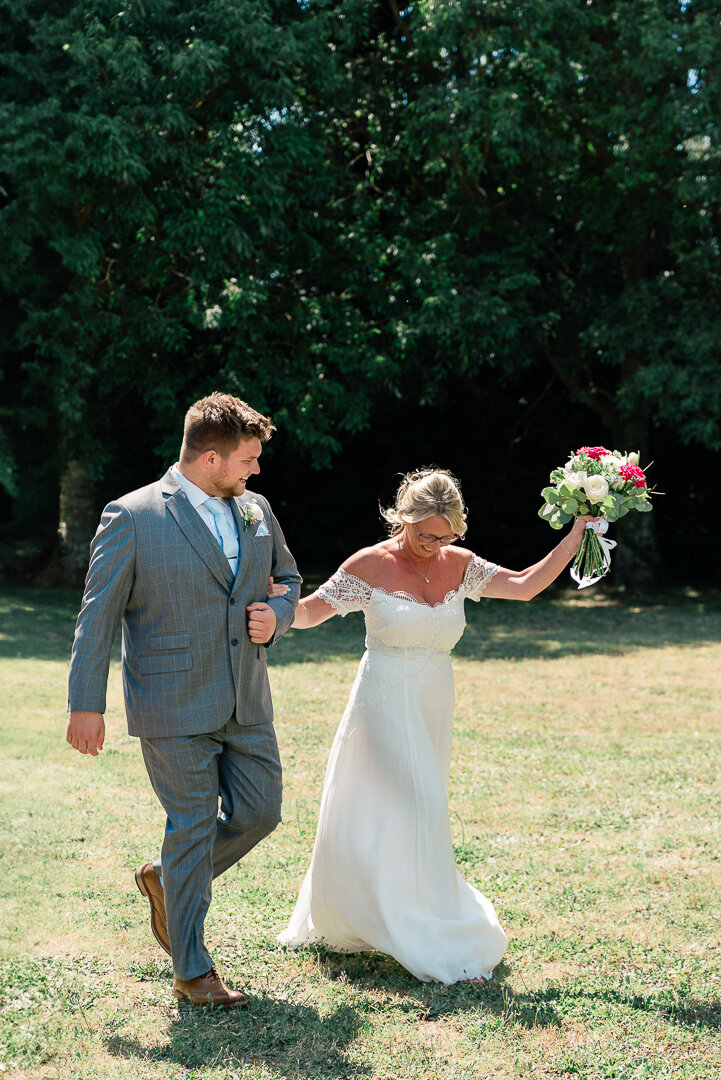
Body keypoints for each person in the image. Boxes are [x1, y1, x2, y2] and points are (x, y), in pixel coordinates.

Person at [276, 468, 595, 985]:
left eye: (444, 536)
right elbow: (312, 611)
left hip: (433, 699)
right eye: (424, 533)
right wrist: (277, 610)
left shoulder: (460, 564)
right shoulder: (371, 565)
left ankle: (394, 908)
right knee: (416, 802)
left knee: (414, 808)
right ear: (403, 518)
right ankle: (414, 927)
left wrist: (575, 536)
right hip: (382, 700)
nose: (433, 545)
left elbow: (524, 586)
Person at [66, 393, 301, 1008]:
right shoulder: (133, 515)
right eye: (248, 459)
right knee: (193, 825)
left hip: (246, 697)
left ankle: (167, 882)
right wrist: (85, 703)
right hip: (170, 702)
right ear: (211, 457)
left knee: (262, 811)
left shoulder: (256, 509)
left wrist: (276, 615)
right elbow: (98, 617)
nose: (255, 470)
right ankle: (193, 970)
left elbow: (291, 579)